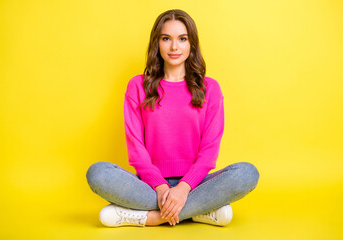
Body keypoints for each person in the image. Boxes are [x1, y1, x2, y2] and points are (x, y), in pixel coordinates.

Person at [86, 9, 259, 228]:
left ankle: (148, 217)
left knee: (246, 174)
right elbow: (136, 148)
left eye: (182, 39)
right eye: (166, 39)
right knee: (98, 173)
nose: (174, 47)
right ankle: (197, 211)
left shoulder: (210, 89)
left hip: (195, 184)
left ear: (191, 44)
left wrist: (184, 188)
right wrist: (160, 186)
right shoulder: (138, 86)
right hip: (149, 186)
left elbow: (209, 151)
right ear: (157, 43)